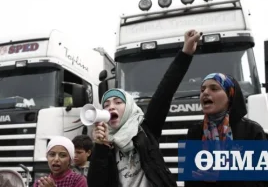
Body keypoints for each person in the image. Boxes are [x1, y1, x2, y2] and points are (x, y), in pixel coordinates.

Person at [87, 30, 202, 187]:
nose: (111, 107)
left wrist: (185, 53)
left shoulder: (146, 130)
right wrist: (100, 148)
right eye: (106, 105)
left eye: (118, 102)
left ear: (128, 108)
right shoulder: (106, 144)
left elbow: (165, 91)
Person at [185, 73, 267, 187]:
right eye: (202, 89)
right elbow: (189, 180)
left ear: (230, 95)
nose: (205, 92)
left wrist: (222, 177)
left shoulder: (252, 131)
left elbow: (262, 181)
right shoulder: (194, 131)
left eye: (214, 88)